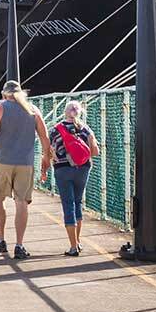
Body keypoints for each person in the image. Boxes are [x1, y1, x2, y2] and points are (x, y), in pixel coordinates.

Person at [0, 80, 51, 259]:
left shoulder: (0, 108)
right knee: (22, 203)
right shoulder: (33, 110)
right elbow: (44, 137)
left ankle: (1, 240)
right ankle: (19, 245)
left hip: (4, 161)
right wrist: (46, 158)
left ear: (4, 94)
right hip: (25, 163)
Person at [47, 100, 100, 256]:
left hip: (63, 170)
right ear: (80, 112)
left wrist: (52, 161)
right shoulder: (86, 129)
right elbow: (95, 151)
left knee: (68, 204)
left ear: (65, 112)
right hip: (83, 169)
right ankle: (77, 242)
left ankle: (73, 246)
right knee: (77, 202)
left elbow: (49, 151)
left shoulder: (56, 129)